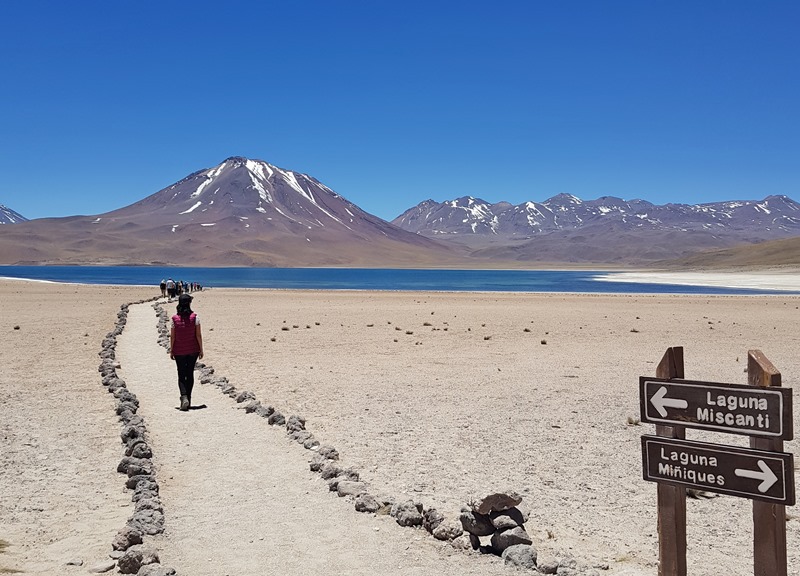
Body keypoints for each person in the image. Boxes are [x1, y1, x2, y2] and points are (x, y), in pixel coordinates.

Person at [169, 293, 204, 411]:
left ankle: (184, 397)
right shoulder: (195, 317)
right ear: (189, 303)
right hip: (193, 349)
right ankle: (188, 398)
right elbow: (198, 335)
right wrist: (201, 349)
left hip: (179, 350)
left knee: (181, 374)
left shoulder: (174, 319)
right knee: (189, 374)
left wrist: (171, 349)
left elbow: (172, 336)